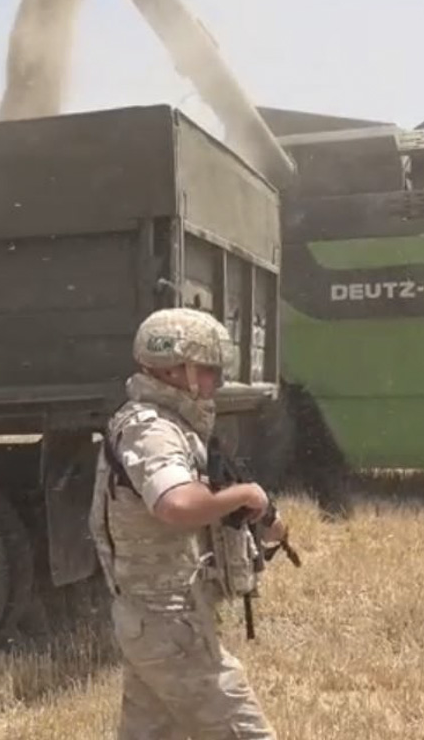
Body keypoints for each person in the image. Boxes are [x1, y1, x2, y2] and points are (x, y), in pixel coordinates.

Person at [89, 307, 287, 739]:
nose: (218, 381)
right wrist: (245, 495)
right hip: (168, 625)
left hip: (159, 623)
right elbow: (176, 504)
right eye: (209, 369)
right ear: (174, 370)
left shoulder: (173, 426)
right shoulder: (152, 430)